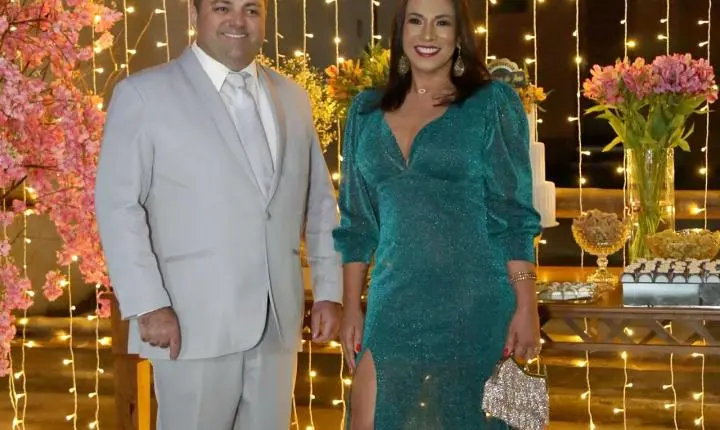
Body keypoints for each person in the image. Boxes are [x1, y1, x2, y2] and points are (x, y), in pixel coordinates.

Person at [94, 0, 342, 428]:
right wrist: (148, 304)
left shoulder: (293, 98)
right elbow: (118, 205)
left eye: (251, 10)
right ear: (194, 15)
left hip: (277, 324)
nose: (237, 22)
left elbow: (319, 203)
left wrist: (328, 291)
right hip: (189, 323)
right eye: (222, 8)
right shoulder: (144, 95)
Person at [333, 0, 543, 428]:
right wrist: (351, 307)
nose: (427, 34)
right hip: (393, 301)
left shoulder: (491, 103)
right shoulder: (365, 111)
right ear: (400, 31)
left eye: (441, 23)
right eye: (416, 21)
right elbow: (356, 222)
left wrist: (527, 305)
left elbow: (513, 213)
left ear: (459, 35)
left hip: (478, 303)